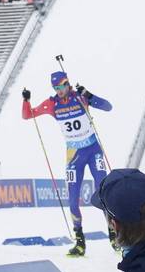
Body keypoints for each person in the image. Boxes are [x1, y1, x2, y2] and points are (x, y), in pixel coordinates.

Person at [21, 72, 113, 257]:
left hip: (93, 150)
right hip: (74, 155)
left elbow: (108, 107)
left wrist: (89, 95)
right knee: (72, 199)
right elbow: (27, 115)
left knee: (103, 192)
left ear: (67, 84)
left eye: (61, 87)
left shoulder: (80, 97)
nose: (59, 91)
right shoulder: (52, 103)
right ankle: (79, 242)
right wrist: (26, 100)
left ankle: (114, 235)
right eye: (55, 88)